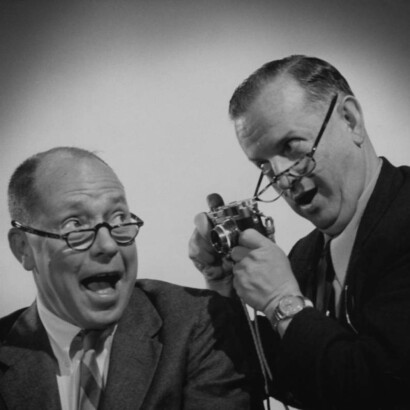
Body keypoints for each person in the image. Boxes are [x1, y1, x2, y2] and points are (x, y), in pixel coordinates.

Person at [189, 55, 410, 409]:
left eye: (291, 147)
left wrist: (282, 302)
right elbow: (283, 376)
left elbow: (384, 390)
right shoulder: (305, 258)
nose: (281, 177)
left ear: (350, 120)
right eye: (263, 164)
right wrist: (224, 292)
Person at [0, 146, 264, 410]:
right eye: (75, 225)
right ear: (23, 248)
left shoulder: (197, 323)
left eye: (119, 218)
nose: (108, 244)